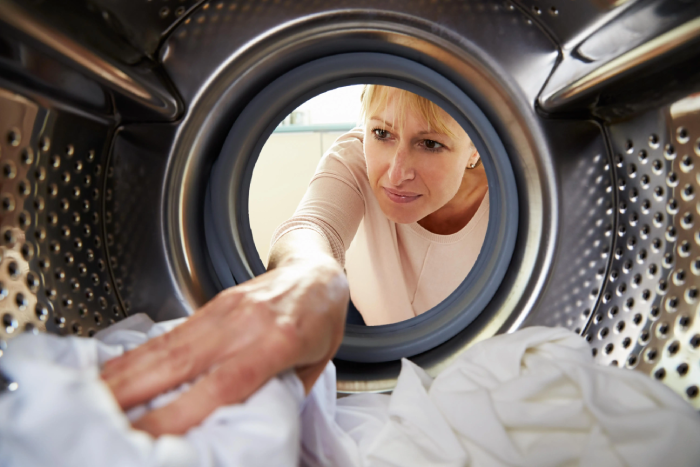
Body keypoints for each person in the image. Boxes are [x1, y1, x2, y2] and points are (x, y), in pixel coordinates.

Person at [101, 85, 488, 436]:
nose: (396, 172)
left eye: (431, 144)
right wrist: (304, 278)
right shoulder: (354, 159)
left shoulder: (518, 198)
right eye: (382, 133)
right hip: (371, 330)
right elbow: (313, 226)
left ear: (476, 147)